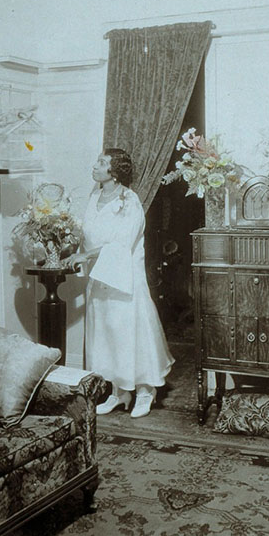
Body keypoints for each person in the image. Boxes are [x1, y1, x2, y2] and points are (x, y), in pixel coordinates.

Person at [79, 148, 173, 417]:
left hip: (123, 277)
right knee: (106, 332)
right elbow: (88, 232)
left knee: (128, 330)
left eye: (101, 163)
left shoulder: (129, 200)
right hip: (98, 275)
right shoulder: (94, 195)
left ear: (115, 171)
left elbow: (122, 242)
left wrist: (86, 254)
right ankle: (119, 392)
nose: (95, 166)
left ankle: (145, 391)